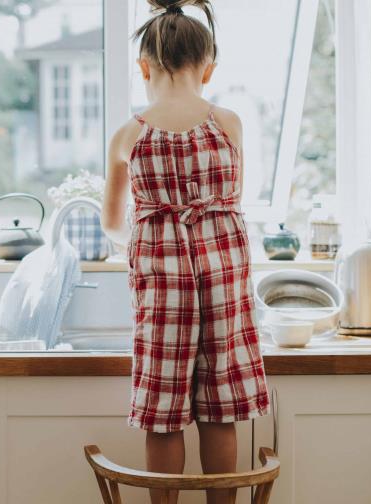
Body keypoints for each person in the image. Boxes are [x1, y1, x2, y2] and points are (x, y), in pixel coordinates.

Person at [101, 1, 270, 503]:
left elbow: (112, 225)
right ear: (209, 68)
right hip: (223, 281)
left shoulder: (129, 135)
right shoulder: (228, 124)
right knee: (220, 410)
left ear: (143, 67)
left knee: (164, 412)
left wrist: (152, 224)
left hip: (163, 290)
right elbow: (232, 197)